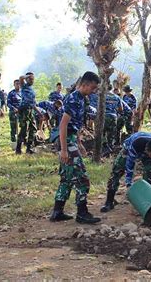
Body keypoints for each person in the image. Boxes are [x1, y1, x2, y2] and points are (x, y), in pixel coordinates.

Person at [50, 71, 101, 224]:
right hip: (66, 140)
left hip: (71, 140)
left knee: (66, 178)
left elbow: (76, 124)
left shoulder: (82, 99)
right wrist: (65, 149)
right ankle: (82, 213)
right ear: (84, 84)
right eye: (92, 88)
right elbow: (63, 125)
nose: (94, 91)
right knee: (82, 178)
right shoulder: (73, 99)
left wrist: (79, 143)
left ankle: (57, 212)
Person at [100, 132, 151, 212]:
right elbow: (129, 165)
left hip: (149, 150)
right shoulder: (136, 144)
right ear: (147, 150)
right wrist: (128, 183)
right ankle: (109, 201)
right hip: (129, 147)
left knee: (150, 174)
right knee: (117, 170)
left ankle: (149, 202)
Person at [16, 72, 39, 154]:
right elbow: (20, 77)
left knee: (33, 128)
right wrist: (27, 76)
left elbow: (33, 103)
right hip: (24, 111)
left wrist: (39, 113)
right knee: (23, 130)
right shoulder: (24, 86)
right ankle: (18, 148)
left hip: (30, 110)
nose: (32, 80)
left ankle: (29, 148)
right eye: (31, 79)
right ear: (27, 79)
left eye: (33, 79)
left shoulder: (32, 89)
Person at [104, 85, 122, 150]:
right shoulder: (117, 97)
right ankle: (110, 147)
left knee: (102, 132)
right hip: (113, 116)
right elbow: (121, 109)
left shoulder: (102, 96)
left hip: (104, 116)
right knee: (111, 133)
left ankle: (104, 148)